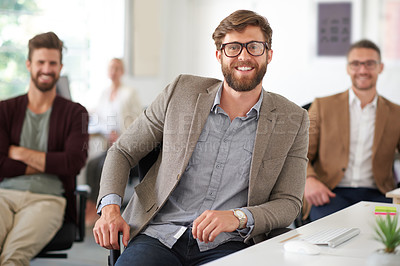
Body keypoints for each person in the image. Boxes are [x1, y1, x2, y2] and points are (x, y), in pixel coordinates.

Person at [93, 9, 309, 265]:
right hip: (159, 234)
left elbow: (289, 203)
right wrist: (110, 209)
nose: (244, 56)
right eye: (233, 48)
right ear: (219, 55)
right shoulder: (181, 92)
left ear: (268, 54)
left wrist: (238, 217)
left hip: (231, 242)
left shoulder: (292, 118)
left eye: (254, 47)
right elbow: (122, 151)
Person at [0, 32, 88, 265]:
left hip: (48, 199)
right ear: (29, 64)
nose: (46, 69)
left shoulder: (75, 113)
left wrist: (19, 153)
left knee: (12, 258)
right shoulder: (5, 110)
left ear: (60, 67)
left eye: (52, 63)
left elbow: (73, 162)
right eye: (41, 62)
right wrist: (49, 163)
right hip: (3, 196)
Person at [305, 39, 400, 221]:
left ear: (380, 67)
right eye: (356, 64)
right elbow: (300, 153)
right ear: (348, 68)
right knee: (335, 232)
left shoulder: (396, 113)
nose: (363, 70)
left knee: (384, 235)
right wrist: (309, 180)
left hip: (379, 197)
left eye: (370, 64)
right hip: (330, 194)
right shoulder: (322, 106)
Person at [85, 58, 142, 226]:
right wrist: (107, 132)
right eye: (111, 68)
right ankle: (90, 207)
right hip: (109, 144)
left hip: (126, 146)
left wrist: (122, 135)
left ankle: (103, 212)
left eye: (117, 68)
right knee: (92, 164)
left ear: (122, 71)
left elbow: (139, 121)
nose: (113, 71)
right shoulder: (104, 93)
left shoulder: (130, 92)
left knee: (104, 166)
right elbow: (100, 119)